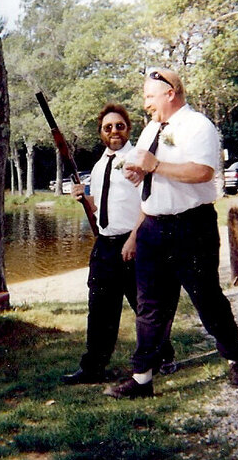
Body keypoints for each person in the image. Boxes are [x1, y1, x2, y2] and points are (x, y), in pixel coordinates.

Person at [104, 68, 238, 399]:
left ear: (170, 93)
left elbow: (202, 172)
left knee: (207, 299)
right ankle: (142, 377)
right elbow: (147, 173)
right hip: (153, 228)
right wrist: (138, 174)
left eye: (149, 96)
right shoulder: (150, 131)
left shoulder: (198, 126)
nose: (145, 103)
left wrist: (154, 166)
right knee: (149, 307)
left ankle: (236, 357)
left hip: (191, 227)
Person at [62, 103, 175, 385]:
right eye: (108, 127)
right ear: (101, 132)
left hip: (135, 243)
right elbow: (102, 206)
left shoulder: (138, 159)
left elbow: (149, 202)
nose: (114, 131)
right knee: (100, 309)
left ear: (128, 128)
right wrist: (84, 198)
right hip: (105, 245)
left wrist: (134, 239)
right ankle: (93, 368)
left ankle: (164, 357)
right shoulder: (100, 165)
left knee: (145, 307)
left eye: (119, 126)